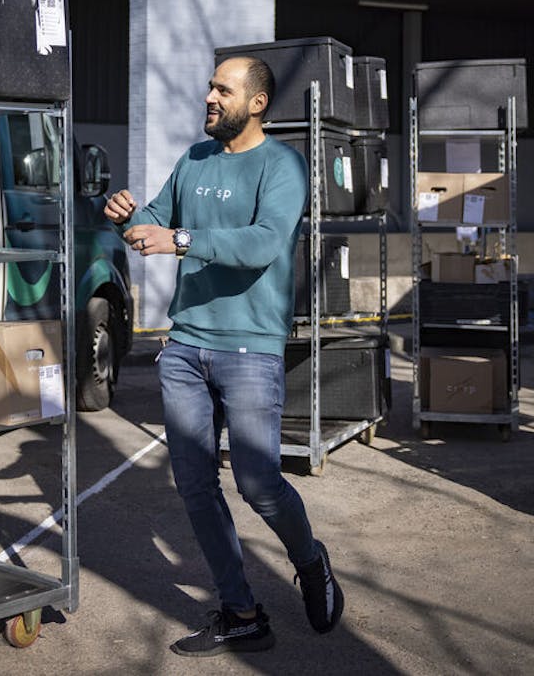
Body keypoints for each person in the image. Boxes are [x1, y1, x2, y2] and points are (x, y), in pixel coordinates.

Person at [104, 56, 344, 657]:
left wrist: (179, 240)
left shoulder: (282, 164)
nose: (209, 96)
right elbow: (156, 221)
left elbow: (265, 241)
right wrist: (129, 220)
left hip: (250, 348)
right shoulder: (194, 158)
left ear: (255, 102)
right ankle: (241, 612)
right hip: (186, 346)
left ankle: (311, 561)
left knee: (259, 483)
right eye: (210, 87)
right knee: (194, 485)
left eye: (221, 89)